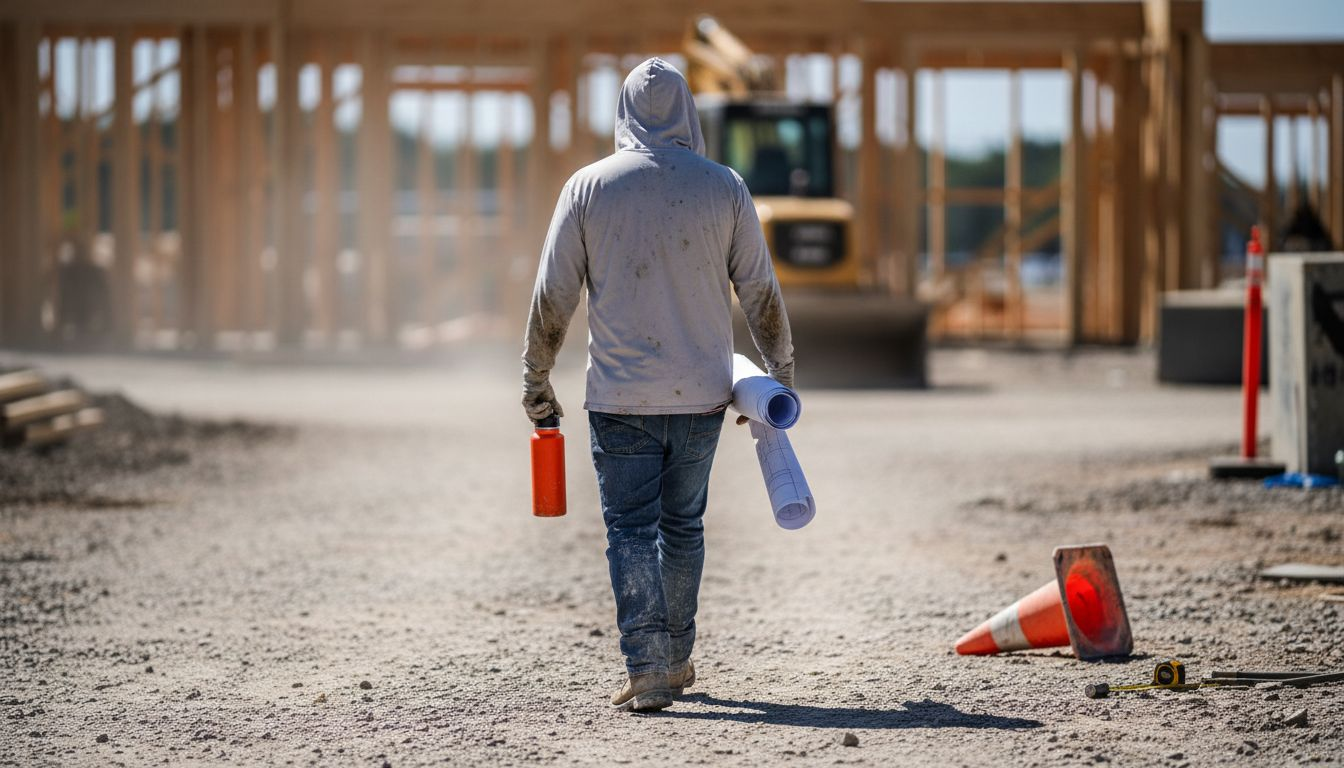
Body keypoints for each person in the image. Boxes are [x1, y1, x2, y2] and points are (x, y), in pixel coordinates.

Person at [520, 58, 794, 712]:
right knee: (684, 527)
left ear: (623, 112)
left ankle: (647, 667)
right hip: (701, 397)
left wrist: (536, 378)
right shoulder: (724, 186)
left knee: (631, 531)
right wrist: (779, 375)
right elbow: (759, 291)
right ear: (689, 114)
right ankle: (673, 658)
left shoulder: (587, 188)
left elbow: (552, 297)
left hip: (618, 402)